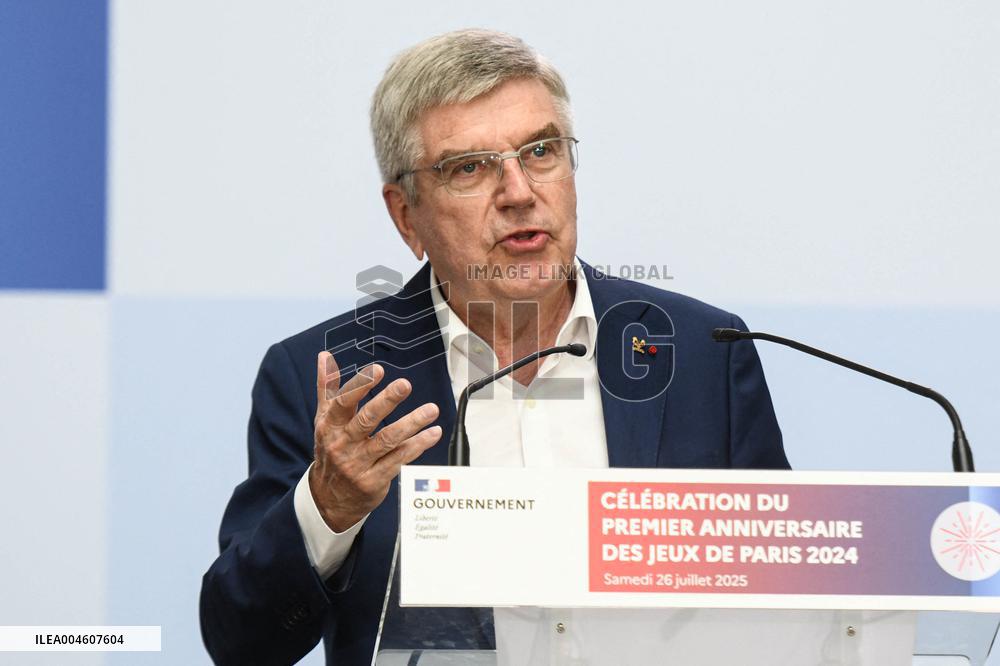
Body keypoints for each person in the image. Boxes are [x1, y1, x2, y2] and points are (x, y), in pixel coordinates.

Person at [200, 28, 789, 665]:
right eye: (470, 168)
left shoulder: (702, 352)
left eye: (541, 151)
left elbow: (789, 604)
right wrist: (328, 510)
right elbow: (242, 643)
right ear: (406, 217)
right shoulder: (331, 379)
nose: (518, 192)